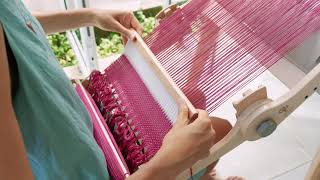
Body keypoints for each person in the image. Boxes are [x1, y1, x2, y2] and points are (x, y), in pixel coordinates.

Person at [0, 1, 243, 179]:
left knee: (196, 102)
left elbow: (17, 22)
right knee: (217, 131)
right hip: (89, 172)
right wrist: (167, 162)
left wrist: (90, 16)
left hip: (84, 131)